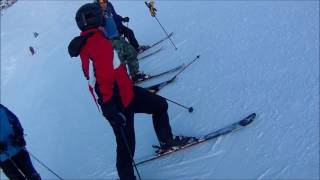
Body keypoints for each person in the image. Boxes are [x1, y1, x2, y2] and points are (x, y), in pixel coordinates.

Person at [68, 3, 191, 180]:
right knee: (126, 146)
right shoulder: (97, 43)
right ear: (96, 19)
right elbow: (102, 81)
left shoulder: (93, 40)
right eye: (101, 15)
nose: (104, 17)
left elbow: (109, 71)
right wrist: (111, 110)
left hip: (127, 92)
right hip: (117, 103)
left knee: (159, 105)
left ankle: (166, 140)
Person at [96, 0, 149, 82]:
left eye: (105, 2)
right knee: (120, 59)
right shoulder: (97, 14)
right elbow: (98, 27)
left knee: (131, 51)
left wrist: (122, 19)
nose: (104, 4)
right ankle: (124, 81)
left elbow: (115, 17)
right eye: (101, 3)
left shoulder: (108, 9)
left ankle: (135, 74)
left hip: (117, 35)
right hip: (110, 40)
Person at [0, 104, 41, 180]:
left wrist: (19, 135)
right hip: (4, 159)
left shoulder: (1, 109)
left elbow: (15, 121)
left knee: (33, 176)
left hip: (18, 148)